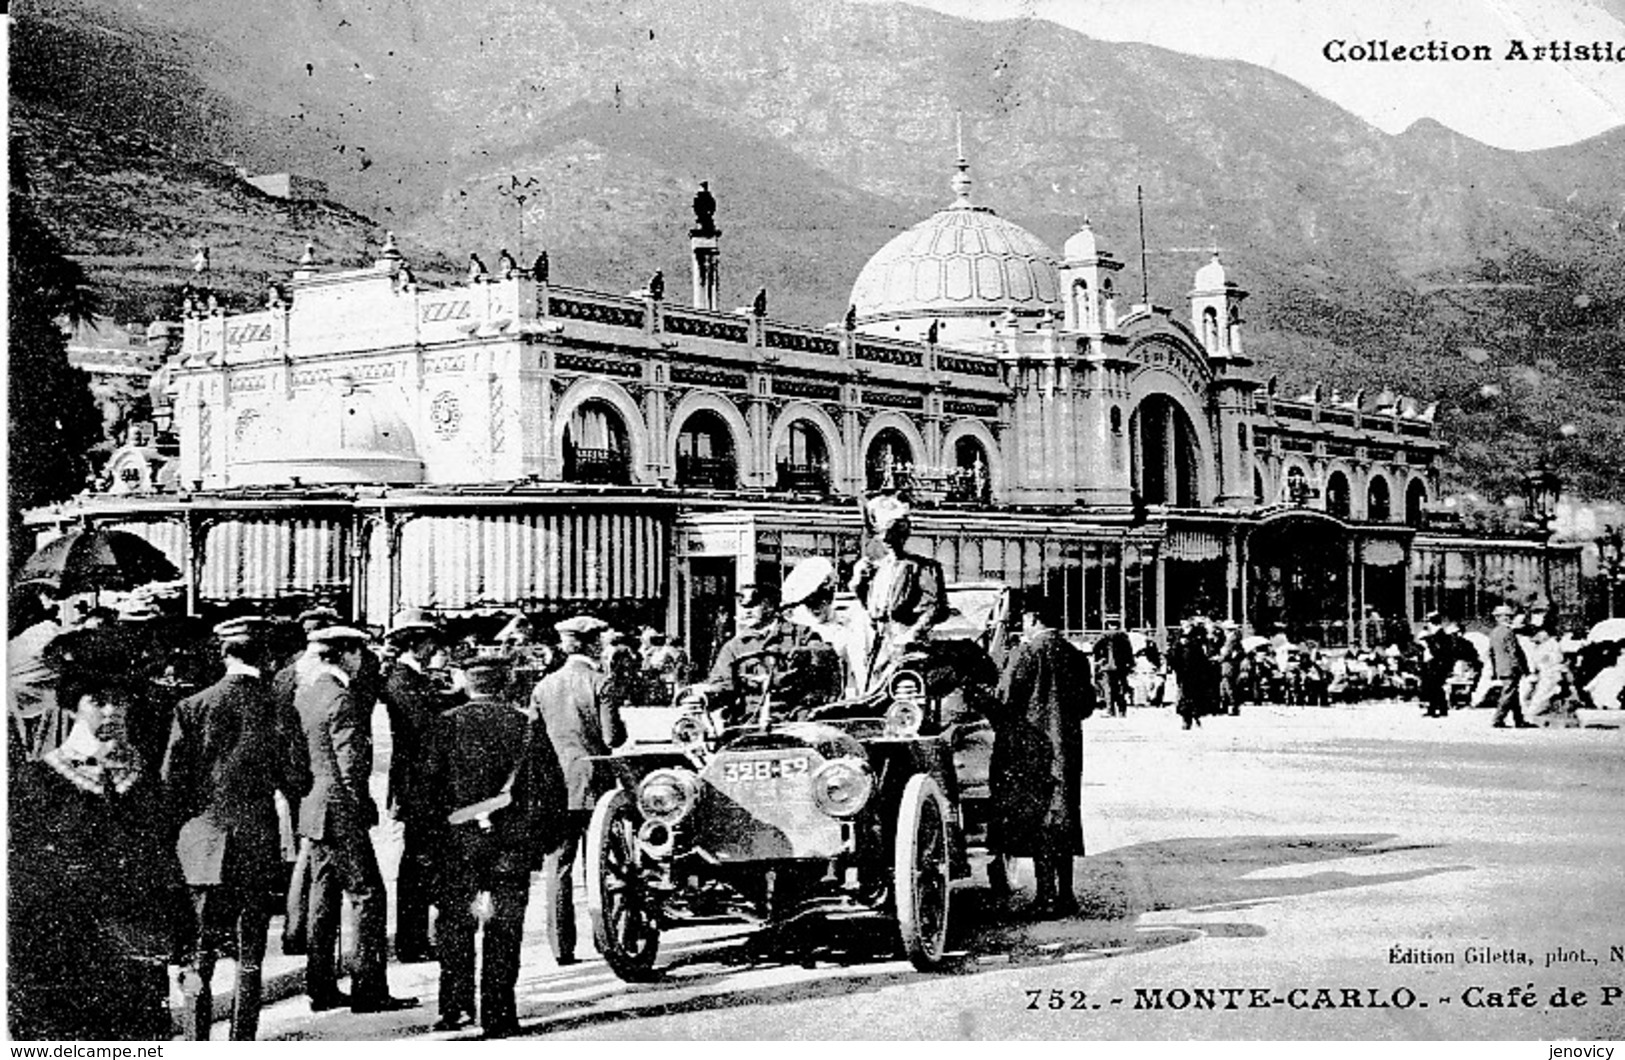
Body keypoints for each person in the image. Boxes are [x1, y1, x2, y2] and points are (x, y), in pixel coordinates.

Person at [8, 630, 186, 1041]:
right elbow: (27, 871)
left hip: (134, 944)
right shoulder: (42, 779)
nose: (111, 712)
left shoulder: (143, 779)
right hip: (66, 944)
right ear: (74, 707)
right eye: (98, 702)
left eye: (119, 701)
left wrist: (178, 933)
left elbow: (161, 855)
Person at [164, 616, 313, 1040]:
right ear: (264, 656)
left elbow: (172, 782)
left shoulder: (191, 706)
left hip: (202, 843)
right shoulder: (277, 706)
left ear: (224, 654)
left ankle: (195, 1036)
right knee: (250, 953)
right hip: (255, 839)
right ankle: (241, 1040)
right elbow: (297, 777)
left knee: (197, 955)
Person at [426, 658, 564, 1038]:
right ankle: (499, 1014)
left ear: (467, 685)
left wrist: (430, 842)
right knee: (504, 929)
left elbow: (425, 789)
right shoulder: (526, 727)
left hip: (458, 844)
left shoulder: (445, 724)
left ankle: (455, 1009)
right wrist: (546, 840)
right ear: (504, 685)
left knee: (455, 925)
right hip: (512, 846)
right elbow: (551, 789)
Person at [294, 625, 419, 1013]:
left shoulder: (306, 695)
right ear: (349, 654)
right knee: (368, 896)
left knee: (323, 898)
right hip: (341, 810)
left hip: (315, 807)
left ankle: (320, 987)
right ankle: (369, 990)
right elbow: (350, 765)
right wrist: (359, 807)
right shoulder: (341, 698)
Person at [988, 597, 1095, 916]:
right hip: (1068, 749)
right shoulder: (1075, 655)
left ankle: (1046, 897)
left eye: (1024, 618)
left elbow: (1006, 704)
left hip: (1031, 750)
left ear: (1034, 618)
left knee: (1040, 821)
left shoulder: (1024, 653)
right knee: (1064, 817)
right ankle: (1066, 895)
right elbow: (1086, 706)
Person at [533, 614, 624, 966]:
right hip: (597, 784)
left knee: (558, 867)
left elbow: (535, 740)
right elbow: (611, 737)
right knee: (604, 866)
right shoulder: (601, 682)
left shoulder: (544, 686)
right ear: (593, 644)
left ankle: (561, 947)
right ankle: (607, 941)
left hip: (557, 786)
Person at [379, 607, 458, 964]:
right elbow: (427, 729)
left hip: (422, 784)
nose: (434, 648)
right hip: (419, 785)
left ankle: (417, 938)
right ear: (414, 642)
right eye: (429, 641)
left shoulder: (414, 679)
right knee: (417, 864)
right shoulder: (402, 681)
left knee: (422, 862)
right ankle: (412, 941)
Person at [849, 494, 949, 691]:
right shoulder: (876, 569)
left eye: (892, 532)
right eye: (882, 532)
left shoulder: (922, 567)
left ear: (903, 533)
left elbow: (934, 609)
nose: (886, 538)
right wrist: (858, 585)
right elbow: (870, 610)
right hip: (876, 645)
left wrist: (912, 635)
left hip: (906, 644)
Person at [1486, 604, 1533, 729]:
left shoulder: (1494, 633)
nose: (1509, 618)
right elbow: (1514, 652)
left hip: (1501, 667)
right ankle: (1498, 719)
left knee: (1513, 694)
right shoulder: (1508, 632)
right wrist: (1523, 669)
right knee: (1508, 694)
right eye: (1506, 616)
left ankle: (1519, 720)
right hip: (1511, 667)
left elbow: (1491, 653)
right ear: (1499, 618)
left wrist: (1495, 669)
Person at [1418, 612, 1454, 718]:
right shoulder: (1436, 635)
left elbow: (1438, 651)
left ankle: (1437, 709)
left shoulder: (1440, 635)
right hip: (1434, 663)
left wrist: (1427, 643)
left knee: (1435, 686)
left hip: (1439, 664)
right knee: (1434, 686)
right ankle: (1436, 708)